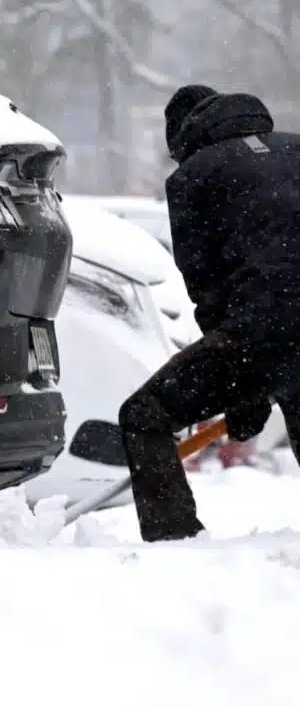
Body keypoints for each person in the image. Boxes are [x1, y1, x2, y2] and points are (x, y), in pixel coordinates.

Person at [119, 84, 300, 542]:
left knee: (146, 414)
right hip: (279, 326)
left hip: (263, 326)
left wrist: (244, 392)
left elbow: (209, 291)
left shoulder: (193, 177)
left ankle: (175, 541)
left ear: (181, 139)